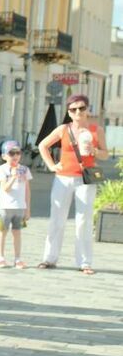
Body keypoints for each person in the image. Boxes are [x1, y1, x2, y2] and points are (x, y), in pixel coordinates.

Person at [37, 94, 107, 274]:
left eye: (82, 108)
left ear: (87, 109)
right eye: (73, 109)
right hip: (63, 178)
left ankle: (84, 262)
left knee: (83, 219)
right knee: (56, 218)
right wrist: (52, 165)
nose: (78, 112)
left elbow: (105, 154)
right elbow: (43, 146)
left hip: (85, 179)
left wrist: (95, 151)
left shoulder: (95, 129)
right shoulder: (63, 129)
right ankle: (49, 258)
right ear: (68, 111)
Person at [0, 140, 32, 268]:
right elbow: (5, 188)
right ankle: (0, 257)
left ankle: (17, 258)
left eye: (18, 153)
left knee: (17, 232)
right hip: (5, 207)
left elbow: (27, 190)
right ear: (4, 156)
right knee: (2, 231)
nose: (15, 156)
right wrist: (13, 177)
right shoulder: (1, 169)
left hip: (20, 207)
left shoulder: (25, 170)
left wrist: (27, 208)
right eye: (11, 153)